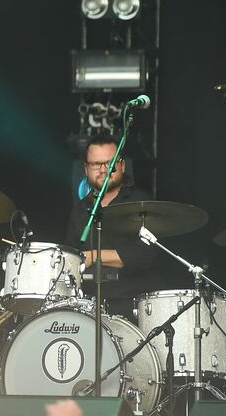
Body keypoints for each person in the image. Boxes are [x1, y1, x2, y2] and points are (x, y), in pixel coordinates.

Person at [64, 134, 158, 319]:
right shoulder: (81, 209)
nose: (103, 169)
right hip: (87, 307)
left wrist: (93, 256)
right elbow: (71, 255)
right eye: (96, 164)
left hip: (134, 305)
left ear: (122, 166)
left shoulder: (141, 203)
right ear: (86, 169)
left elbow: (145, 255)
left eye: (110, 163)